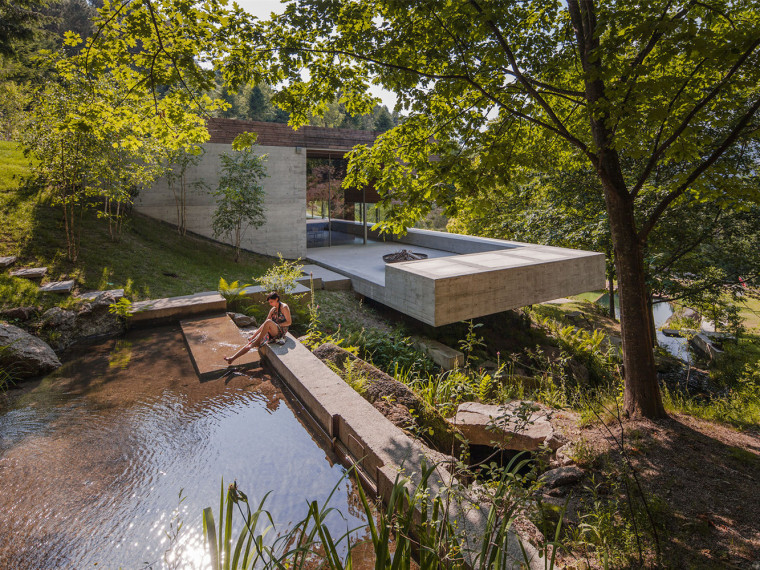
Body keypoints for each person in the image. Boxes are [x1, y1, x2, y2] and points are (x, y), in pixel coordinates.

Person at [224, 292, 292, 365]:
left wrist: (276, 325)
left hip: (280, 331)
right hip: (272, 330)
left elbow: (289, 322)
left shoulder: (284, 307)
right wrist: (253, 336)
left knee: (268, 322)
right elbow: (264, 324)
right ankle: (232, 358)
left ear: (277, 299)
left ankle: (257, 341)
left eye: (271, 302)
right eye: (269, 302)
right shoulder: (273, 310)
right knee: (251, 343)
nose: (270, 304)